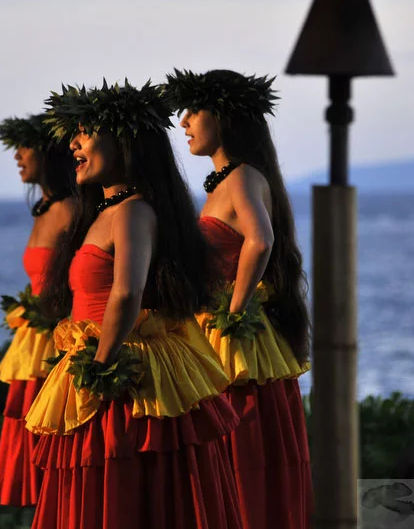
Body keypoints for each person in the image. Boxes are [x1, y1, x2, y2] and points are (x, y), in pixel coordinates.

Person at [24, 80, 244, 529]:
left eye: (86, 132)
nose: (74, 144)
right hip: (100, 358)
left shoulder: (133, 211)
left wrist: (101, 367)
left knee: (123, 491)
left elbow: (127, 291)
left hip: (123, 373)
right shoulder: (105, 212)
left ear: (124, 142)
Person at [166, 68, 312, 529]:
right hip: (221, 330)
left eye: (194, 112)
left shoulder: (243, 176)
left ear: (223, 117)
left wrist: (233, 311)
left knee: (241, 445)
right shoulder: (226, 182)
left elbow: (261, 239)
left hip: (237, 340)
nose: (184, 122)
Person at [0, 113, 75, 507]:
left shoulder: (72, 208)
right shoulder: (46, 205)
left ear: (49, 152)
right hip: (34, 342)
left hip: (58, 341)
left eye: (25, 147)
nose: (18, 156)